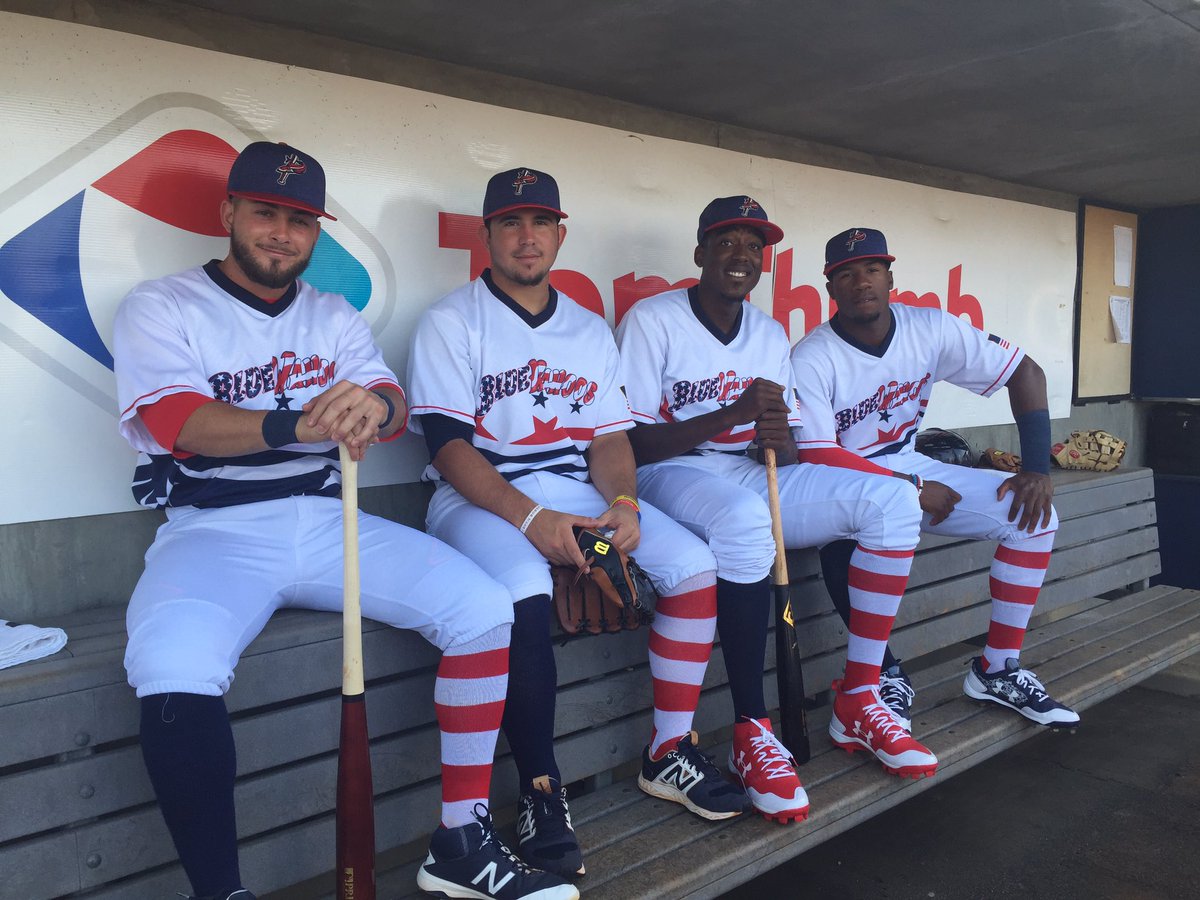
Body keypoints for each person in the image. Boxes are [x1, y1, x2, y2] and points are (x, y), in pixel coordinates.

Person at [112, 142, 576, 900]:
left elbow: (392, 405)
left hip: (330, 518)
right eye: (266, 212)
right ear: (229, 212)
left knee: (487, 611)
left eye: (300, 220)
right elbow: (175, 421)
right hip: (213, 530)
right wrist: (295, 423)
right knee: (171, 662)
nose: (282, 233)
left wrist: (376, 407)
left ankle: (460, 839)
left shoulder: (332, 314)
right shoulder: (164, 304)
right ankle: (220, 891)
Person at [406, 168, 750, 879]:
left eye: (540, 222)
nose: (526, 237)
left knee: (690, 567)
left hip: (576, 499)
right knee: (527, 589)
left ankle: (668, 750)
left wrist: (621, 507)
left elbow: (608, 442)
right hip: (482, 503)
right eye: (510, 223)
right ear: (488, 236)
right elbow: (445, 444)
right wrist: (533, 521)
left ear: (561, 233)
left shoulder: (588, 328)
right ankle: (540, 789)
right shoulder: (451, 321)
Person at [614, 197, 938, 812]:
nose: (741, 255)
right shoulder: (652, 320)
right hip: (668, 476)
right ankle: (750, 731)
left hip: (747, 471)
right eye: (727, 241)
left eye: (753, 246)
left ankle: (861, 697)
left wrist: (778, 437)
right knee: (743, 523)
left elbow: (785, 452)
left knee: (894, 502)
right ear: (700, 253)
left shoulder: (765, 332)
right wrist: (733, 414)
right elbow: (630, 442)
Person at [789, 226, 1080, 729]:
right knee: (849, 529)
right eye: (847, 274)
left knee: (1034, 516)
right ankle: (880, 675)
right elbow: (816, 453)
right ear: (830, 288)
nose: (863, 281)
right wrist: (913, 489)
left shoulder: (930, 327)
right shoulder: (812, 355)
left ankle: (996, 669)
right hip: (840, 475)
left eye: (873, 269)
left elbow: (1026, 372)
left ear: (890, 277)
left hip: (907, 460)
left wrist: (1036, 469)